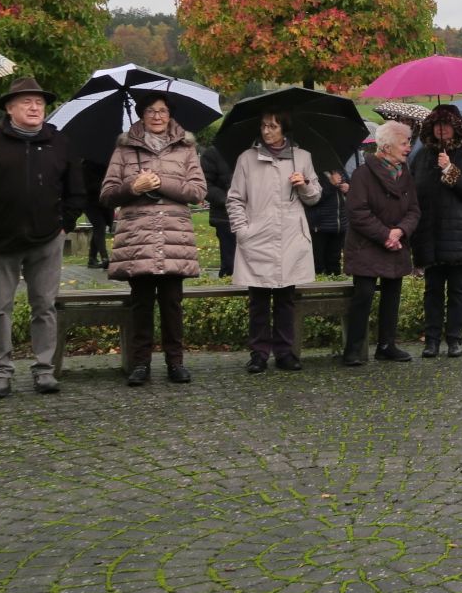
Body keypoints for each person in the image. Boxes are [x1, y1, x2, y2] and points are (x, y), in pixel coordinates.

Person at [0, 76, 84, 399]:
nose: (35, 107)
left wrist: (64, 223)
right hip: (1, 239)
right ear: (9, 108)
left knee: (44, 306)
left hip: (47, 238)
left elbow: (77, 192)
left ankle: (44, 369)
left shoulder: (60, 142)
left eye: (39, 102)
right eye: (26, 101)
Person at [99, 97, 207, 387]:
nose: (157, 116)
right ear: (141, 115)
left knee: (172, 304)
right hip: (138, 239)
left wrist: (161, 182)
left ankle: (176, 363)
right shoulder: (124, 149)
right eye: (151, 111)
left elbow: (198, 191)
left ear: (170, 115)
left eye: (163, 111)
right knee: (141, 304)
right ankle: (140, 364)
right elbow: (107, 194)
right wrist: (133, 187)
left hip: (174, 238)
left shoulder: (186, 148)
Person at [227, 111, 321, 373]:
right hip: (256, 238)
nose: (267, 131)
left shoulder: (303, 158)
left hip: (290, 238)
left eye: (273, 126)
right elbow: (234, 199)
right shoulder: (247, 159)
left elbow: (315, 196)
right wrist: (243, 231)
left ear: (284, 129)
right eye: (263, 125)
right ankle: (258, 354)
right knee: (258, 300)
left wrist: (303, 185)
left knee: (285, 298)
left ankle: (284, 352)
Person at [343, 120, 420, 366]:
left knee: (392, 294)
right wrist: (385, 235)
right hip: (367, 245)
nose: (408, 147)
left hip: (395, 243)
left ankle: (387, 345)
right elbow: (358, 213)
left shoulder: (404, 173)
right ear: (386, 147)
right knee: (363, 295)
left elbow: (414, 210)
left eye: (408, 143)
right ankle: (353, 349)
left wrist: (400, 232)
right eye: (404, 143)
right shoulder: (363, 174)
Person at [410, 105, 462, 355]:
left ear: (456, 127)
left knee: (457, 289)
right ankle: (431, 339)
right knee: (432, 289)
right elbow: (413, 190)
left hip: (458, 233)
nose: (441, 129)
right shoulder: (421, 156)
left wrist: (450, 170)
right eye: (437, 124)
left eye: (446, 124)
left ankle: (454, 338)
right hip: (429, 231)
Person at [199, 141, 236, 278]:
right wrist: (227, 200)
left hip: (257, 216)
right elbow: (204, 184)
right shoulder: (213, 153)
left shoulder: (256, 152)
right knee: (230, 264)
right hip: (225, 217)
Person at [304, 164, 347, 276]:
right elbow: (313, 199)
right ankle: (315, 289)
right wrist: (331, 184)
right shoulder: (314, 174)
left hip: (339, 224)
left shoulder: (339, 170)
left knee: (334, 262)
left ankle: (335, 284)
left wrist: (348, 188)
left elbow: (349, 188)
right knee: (318, 262)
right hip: (321, 225)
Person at [81, 154, 112, 269]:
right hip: (90, 202)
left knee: (99, 228)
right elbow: (87, 186)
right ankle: (105, 257)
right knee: (100, 226)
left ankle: (92, 258)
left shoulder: (107, 165)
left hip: (103, 202)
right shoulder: (86, 167)